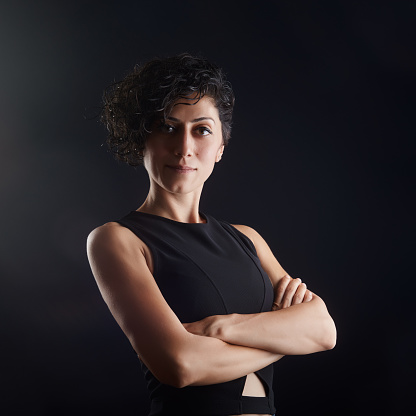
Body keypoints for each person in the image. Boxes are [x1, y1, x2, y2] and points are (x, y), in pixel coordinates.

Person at [87, 53, 336, 416]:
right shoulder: (117, 240)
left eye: (201, 130)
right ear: (142, 139)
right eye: (167, 127)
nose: (185, 147)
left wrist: (220, 328)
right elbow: (181, 365)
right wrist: (286, 339)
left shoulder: (247, 239)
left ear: (220, 148)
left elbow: (323, 330)